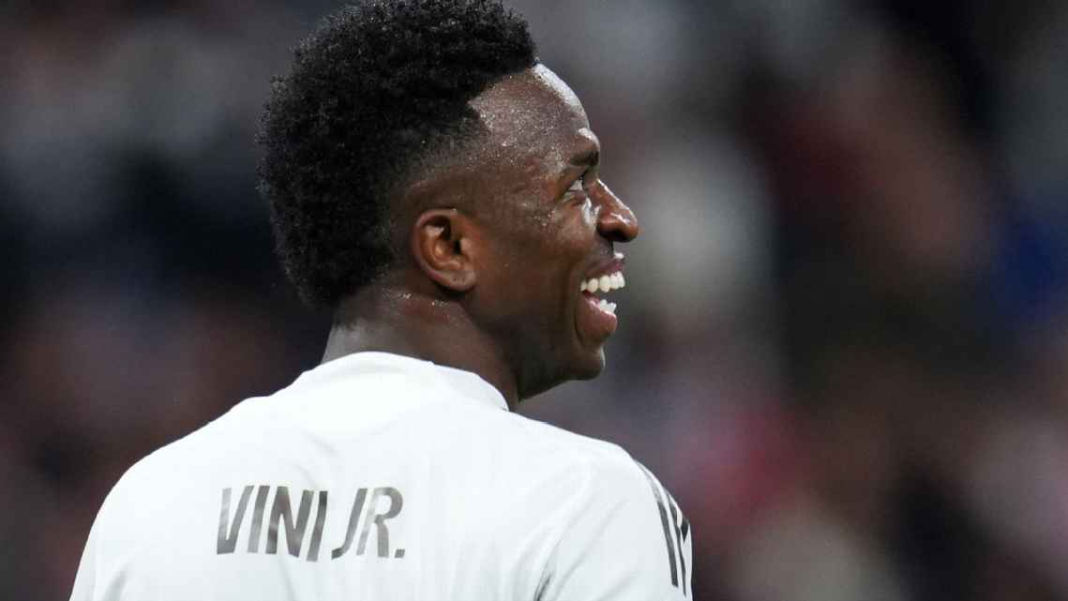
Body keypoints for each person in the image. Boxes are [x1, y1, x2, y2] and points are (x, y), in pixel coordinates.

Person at [70, 1, 693, 599]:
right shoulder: (584, 504)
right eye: (577, 185)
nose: (621, 218)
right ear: (448, 246)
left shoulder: (151, 503)